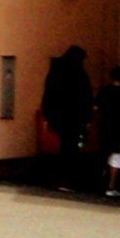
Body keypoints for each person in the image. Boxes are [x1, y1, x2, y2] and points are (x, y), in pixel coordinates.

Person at [41, 46, 94, 188]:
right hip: (76, 117)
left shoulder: (55, 71)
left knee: (63, 146)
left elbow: (48, 94)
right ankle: (69, 179)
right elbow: (86, 96)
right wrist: (87, 118)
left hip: (58, 116)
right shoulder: (80, 74)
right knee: (72, 148)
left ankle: (60, 178)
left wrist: (47, 114)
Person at [96, 66, 120, 200]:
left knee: (111, 155)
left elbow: (96, 107)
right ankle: (115, 185)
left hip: (106, 126)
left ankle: (109, 184)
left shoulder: (104, 90)